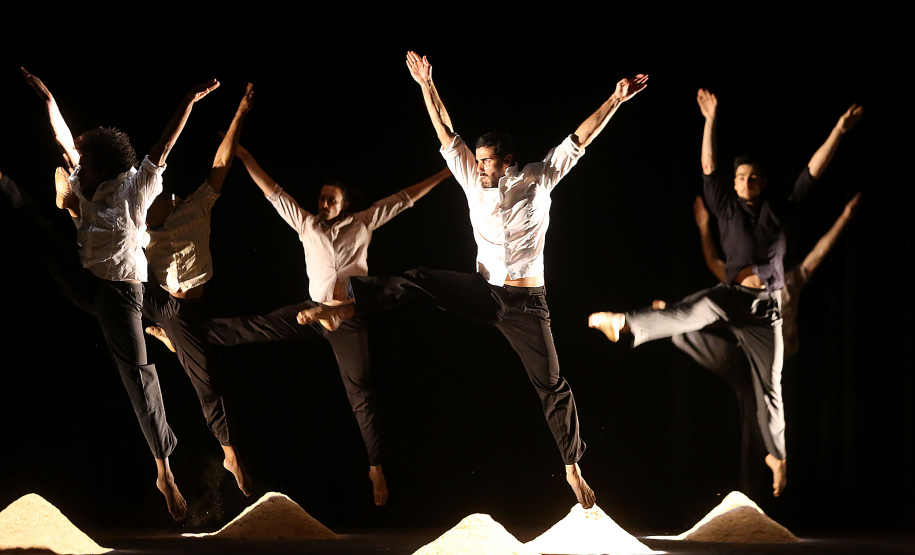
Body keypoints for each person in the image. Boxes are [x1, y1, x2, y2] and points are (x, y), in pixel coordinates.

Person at [299, 51, 648, 509]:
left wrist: (615, 99)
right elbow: (446, 132)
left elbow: (579, 139)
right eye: (477, 161)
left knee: (552, 384)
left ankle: (572, 468)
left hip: (527, 305)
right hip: (484, 292)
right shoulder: (470, 179)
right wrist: (426, 85)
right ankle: (345, 308)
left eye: (486, 162)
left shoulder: (538, 179)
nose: (478, 167)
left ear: (507, 161)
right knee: (421, 278)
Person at [589, 89, 863, 497]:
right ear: (733, 184)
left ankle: (778, 458)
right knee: (692, 311)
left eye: (752, 178)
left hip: (767, 311)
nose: (745, 182)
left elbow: (812, 172)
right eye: (740, 178)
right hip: (731, 295)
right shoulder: (726, 207)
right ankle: (623, 322)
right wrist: (711, 119)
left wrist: (839, 129)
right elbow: (708, 165)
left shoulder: (779, 210)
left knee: (771, 390)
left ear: (762, 182)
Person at [149, 138, 451, 506]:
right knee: (254, 325)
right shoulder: (307, 224)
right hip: (312, 311)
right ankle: (184, 339)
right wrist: (244, 155)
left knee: (360, 391)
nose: (323, 204)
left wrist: (444, 174)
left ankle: (375, 466)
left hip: (347, 316)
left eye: (331, 200)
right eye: (321, 198)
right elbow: (274, 193)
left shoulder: (363, 222)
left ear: (345, 203)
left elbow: (405, 199)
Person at [19, 67, 219, 520]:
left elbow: (163, 146)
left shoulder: (135, 187)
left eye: (85, 167)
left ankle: (164, 472)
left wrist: (188, 100)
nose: (79, 169)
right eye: (80, 167)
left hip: (122, 294)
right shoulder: (85, 175)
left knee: (139, 375)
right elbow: (64, 138)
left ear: (105, 168)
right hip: (84, 279)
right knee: (35, 224)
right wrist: (48, 98)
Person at [653, 192, 861, 493]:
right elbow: (714, 263)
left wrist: (844, 217)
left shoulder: (790, 283)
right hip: (742, 360)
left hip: (769, 367)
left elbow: (819, 252)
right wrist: (704, 227)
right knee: (693, 335)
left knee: (757, 423)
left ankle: (754, 488)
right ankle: (669, 322)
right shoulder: (743, 282)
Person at [141, 83, 256, 497]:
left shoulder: (195, 206)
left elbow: (222, 161)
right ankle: (163, 336)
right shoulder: (140, 233)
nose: (170, 196)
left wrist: (240, 113)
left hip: (184, 312)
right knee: (111, 290)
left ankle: (229, 453)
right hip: (160, 302)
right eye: (159, 199)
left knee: (205, 382)